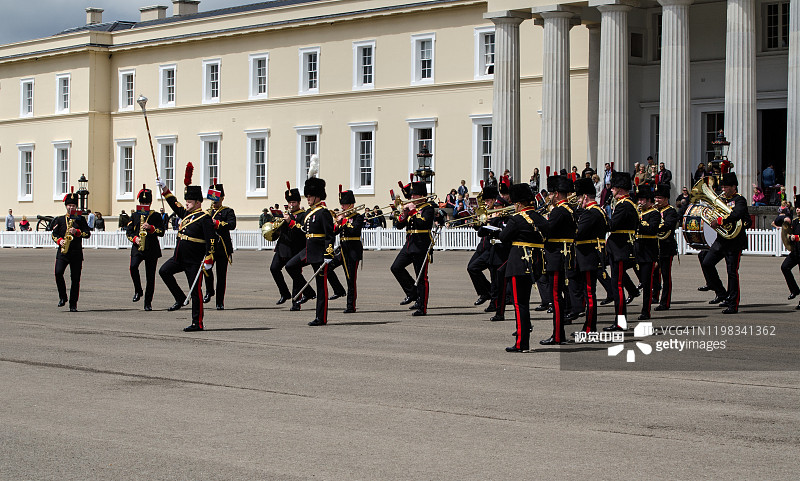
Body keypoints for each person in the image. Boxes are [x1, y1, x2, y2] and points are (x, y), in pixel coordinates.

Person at [156, 166, 216, 332]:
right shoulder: (186, 214)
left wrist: (209, 257)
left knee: (196, 292)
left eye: (189, 202)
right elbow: (174, 204)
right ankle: (180, 297)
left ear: (198, 202)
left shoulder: (205, 218)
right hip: (179, 257)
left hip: (194, 260)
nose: (186, 204)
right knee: (164, 271)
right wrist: (165, 188)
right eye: (186, 201)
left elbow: (212, 239)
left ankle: (197, 323)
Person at [527, 176, 577, 345]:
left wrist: (533, 215)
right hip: (565, 256)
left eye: (550, 194)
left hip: (556, 258)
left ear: (556, 194)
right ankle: (559, 333)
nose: (548, 198)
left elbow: (547, 229)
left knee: (555, 297)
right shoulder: (569, 209)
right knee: (560, 296)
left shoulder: (559, 211)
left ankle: (557, 335)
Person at [285, 162, 335, 326]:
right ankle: (308, 292)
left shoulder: (323, 213)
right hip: (308, 249)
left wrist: (328, 253)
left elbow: (330, 235)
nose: (307, 199)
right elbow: (303, 229)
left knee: (322, 286)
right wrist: (291, 223)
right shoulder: (308, 213)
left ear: (317, 196)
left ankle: (321, 317)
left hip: (320, 252)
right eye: (307, 196)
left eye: (310, 196)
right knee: (290, 266)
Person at [495, 183, 540, 352]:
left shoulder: (517, 218)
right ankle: (523, 338)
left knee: (519, 303)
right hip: (534, 263)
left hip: (518, 263)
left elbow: (504, 237)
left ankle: (522, 342)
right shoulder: (538, 217)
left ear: (518, 203)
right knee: (524, 302)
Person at [700, 172, 750, 314]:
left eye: (726, 187)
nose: (723, 189)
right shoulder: (721, 200)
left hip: (735, 242)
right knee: (707, 263)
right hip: (722, 240)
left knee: (732, 272)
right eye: (723, 186)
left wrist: (720, 221)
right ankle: (722, 293)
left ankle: (733, 303)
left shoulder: (740, 200)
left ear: (734, 187)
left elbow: (738, 214)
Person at [391, 180, 436, 316]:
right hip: (410, 244)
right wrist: (403, 214)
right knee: (396, 267)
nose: (412, 198)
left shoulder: (428, 208)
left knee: (421, 277)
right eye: (411, 195)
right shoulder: (412, 208)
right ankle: (412, 293)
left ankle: (422, 306)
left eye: (414, 195)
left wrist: (412, 211)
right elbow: (399, 225)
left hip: (422, 245)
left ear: (422, 195)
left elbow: (423, 223)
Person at [603, 172, 640, 331]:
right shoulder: (628, 203)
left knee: (617, 285)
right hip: (620, 247)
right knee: (617, 283)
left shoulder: (624, 205)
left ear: (620, 189)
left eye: (614, 188)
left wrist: (602, 216)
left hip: (619, 248)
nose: (611, 190)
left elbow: (612, 225)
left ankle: (620, 322)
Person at [573, 178, 608, 334]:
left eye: (580, 198)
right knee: (588, 293)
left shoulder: (590, 213)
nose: (579, 201)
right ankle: (588, 326)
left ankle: (589, 328)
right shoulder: (599, 210)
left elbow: (578, 233)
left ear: (585, 197)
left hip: (588, 256)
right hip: (592, 255)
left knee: (589, 293)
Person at [271, 183, 313, 306]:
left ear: (299, 202)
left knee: (295, 275)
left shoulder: (303, 215)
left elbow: (302, 231)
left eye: (294, 202)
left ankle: (296, 303)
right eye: (289, 202)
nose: (291, 205)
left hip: (295, 248)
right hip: (282, 247)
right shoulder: (285, 214)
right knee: (274, 268)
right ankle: (284, 293)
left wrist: (290, 222)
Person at [126, 186, 164, 311]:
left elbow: (161, 231)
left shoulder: (156, 216)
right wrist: (134, 238)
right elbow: (129, 231)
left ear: (150, 203)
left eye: (146, 203)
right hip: (138, 247)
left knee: (150, 276)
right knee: (133, 267)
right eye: (142, 203)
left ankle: (148, 302)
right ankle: (138, 290)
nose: (144, 205)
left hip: (151, 248)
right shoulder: (135, 215)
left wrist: (151, 228)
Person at [326, 187, 364, 313]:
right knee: (327, 268)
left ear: (351, 204)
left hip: (353, 252)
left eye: (344, 204)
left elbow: (354, 230)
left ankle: (350, 306)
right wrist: (337, 223)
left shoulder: (358, 217)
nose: (342, 207)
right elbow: (334, 232)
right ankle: (338, 290)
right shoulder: (342, 217)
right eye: (341, 204)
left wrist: (344, 221)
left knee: (350, 279)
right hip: (342, 250)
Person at [51, 191, 91, 312]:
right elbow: (54, 234)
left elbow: (87, 234)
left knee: (75, 279)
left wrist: (77, 232)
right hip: (63, 252)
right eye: (69, 205)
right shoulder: (60, 220)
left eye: (73, 205)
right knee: (58, 273)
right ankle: (63, 297)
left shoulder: (80, 219)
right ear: (66, 206)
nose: (71, 207)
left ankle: (73, 304)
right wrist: (59, 241)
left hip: (76, 253)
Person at [203, 183, 237, 310]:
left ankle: (219, 302)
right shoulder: (206, 212)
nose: (214, 202)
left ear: (222, 198)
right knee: (206, 269)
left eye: (217, 199)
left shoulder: (228, 211)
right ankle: (209, 290)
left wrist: (217, 223)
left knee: (221, 276)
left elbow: (232, 225)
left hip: (222, 247)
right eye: (213, 200)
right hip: (210, 246)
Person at [466, 185, 499, 306]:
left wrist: (490, 220)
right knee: (471, 268)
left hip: (492, 247)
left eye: (488, 201)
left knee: (493, 275)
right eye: (485, 201)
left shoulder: (498, 211)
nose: (486, 203)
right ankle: (486, 292)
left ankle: (494, 298)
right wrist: (477, 222)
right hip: (482, 246)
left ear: (494, 200)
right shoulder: (485, 211)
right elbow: (480, 231)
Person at [634, 185, 660, 321]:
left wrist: (639, 221)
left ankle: (646, 310)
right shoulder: (639, 213)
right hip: (637, 250)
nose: (640, 202)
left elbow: (651, 229)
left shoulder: (654, 213)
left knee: (646, 282)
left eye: (643, 199)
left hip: (647, 252)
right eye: (639, 199)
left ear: (649, 200)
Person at [653, 184, 679, 311]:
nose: (656, 200)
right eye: (656, 197)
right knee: (653, 272)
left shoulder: (671, 211)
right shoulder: (654, 211)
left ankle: (665, 301)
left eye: (659, 198)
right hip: (655, 246)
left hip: (666, 246)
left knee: (665, 274)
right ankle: (655, 295)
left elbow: (668, 224)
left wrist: (654, 226)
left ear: (666, 199)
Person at [781, 195, 800, 303]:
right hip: (796, 252)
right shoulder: (795, 221)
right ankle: (794, 289)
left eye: (799, 207)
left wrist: (796, 237)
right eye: (797, 207)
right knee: (785, 267)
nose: (797, 209)